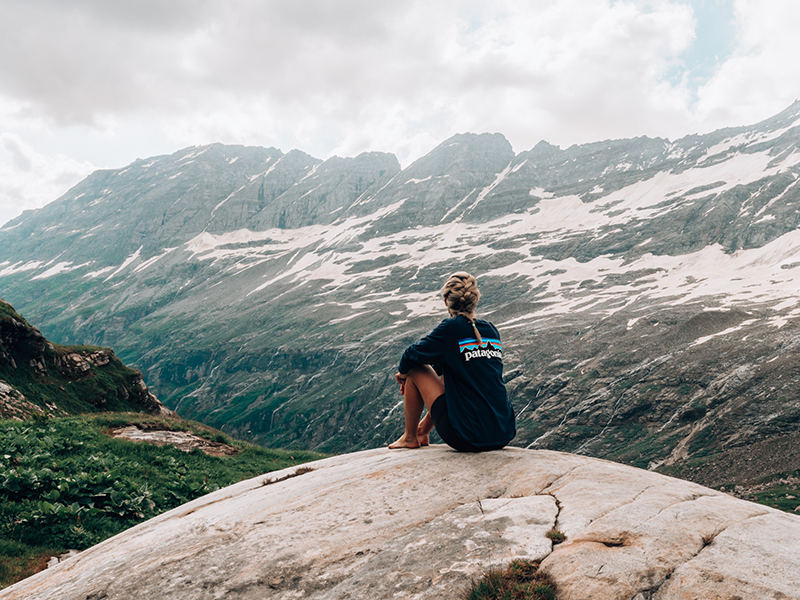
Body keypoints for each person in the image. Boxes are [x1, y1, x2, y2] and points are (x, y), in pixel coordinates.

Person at [388, 272, 516, 452]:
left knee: (415, 369)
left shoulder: (451, 328)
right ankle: (422, 432)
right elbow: (444, 369)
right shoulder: (491, 330)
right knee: (451, 373)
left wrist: (403, 376)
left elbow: (410, 355)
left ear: (446, 300)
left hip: (467, 437)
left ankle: (410, 437)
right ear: (475, 299)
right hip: (503, 433)